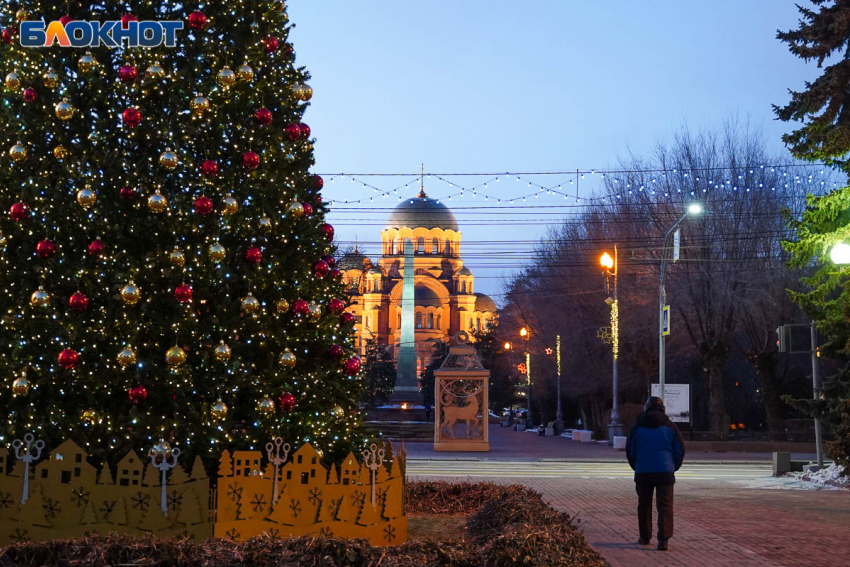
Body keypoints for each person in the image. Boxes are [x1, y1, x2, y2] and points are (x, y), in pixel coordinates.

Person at [626, 396, 685, 551]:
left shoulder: (637, 426)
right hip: (665, 472)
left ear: (646, 408)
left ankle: (645, 537)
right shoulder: (670, 426)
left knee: (644, 506)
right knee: (665, 507)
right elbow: (679, 450)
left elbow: (630, 451)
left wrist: (637, 466)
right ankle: (663, 541)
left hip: (643, 472)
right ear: (662, 408)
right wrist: (672, 467)